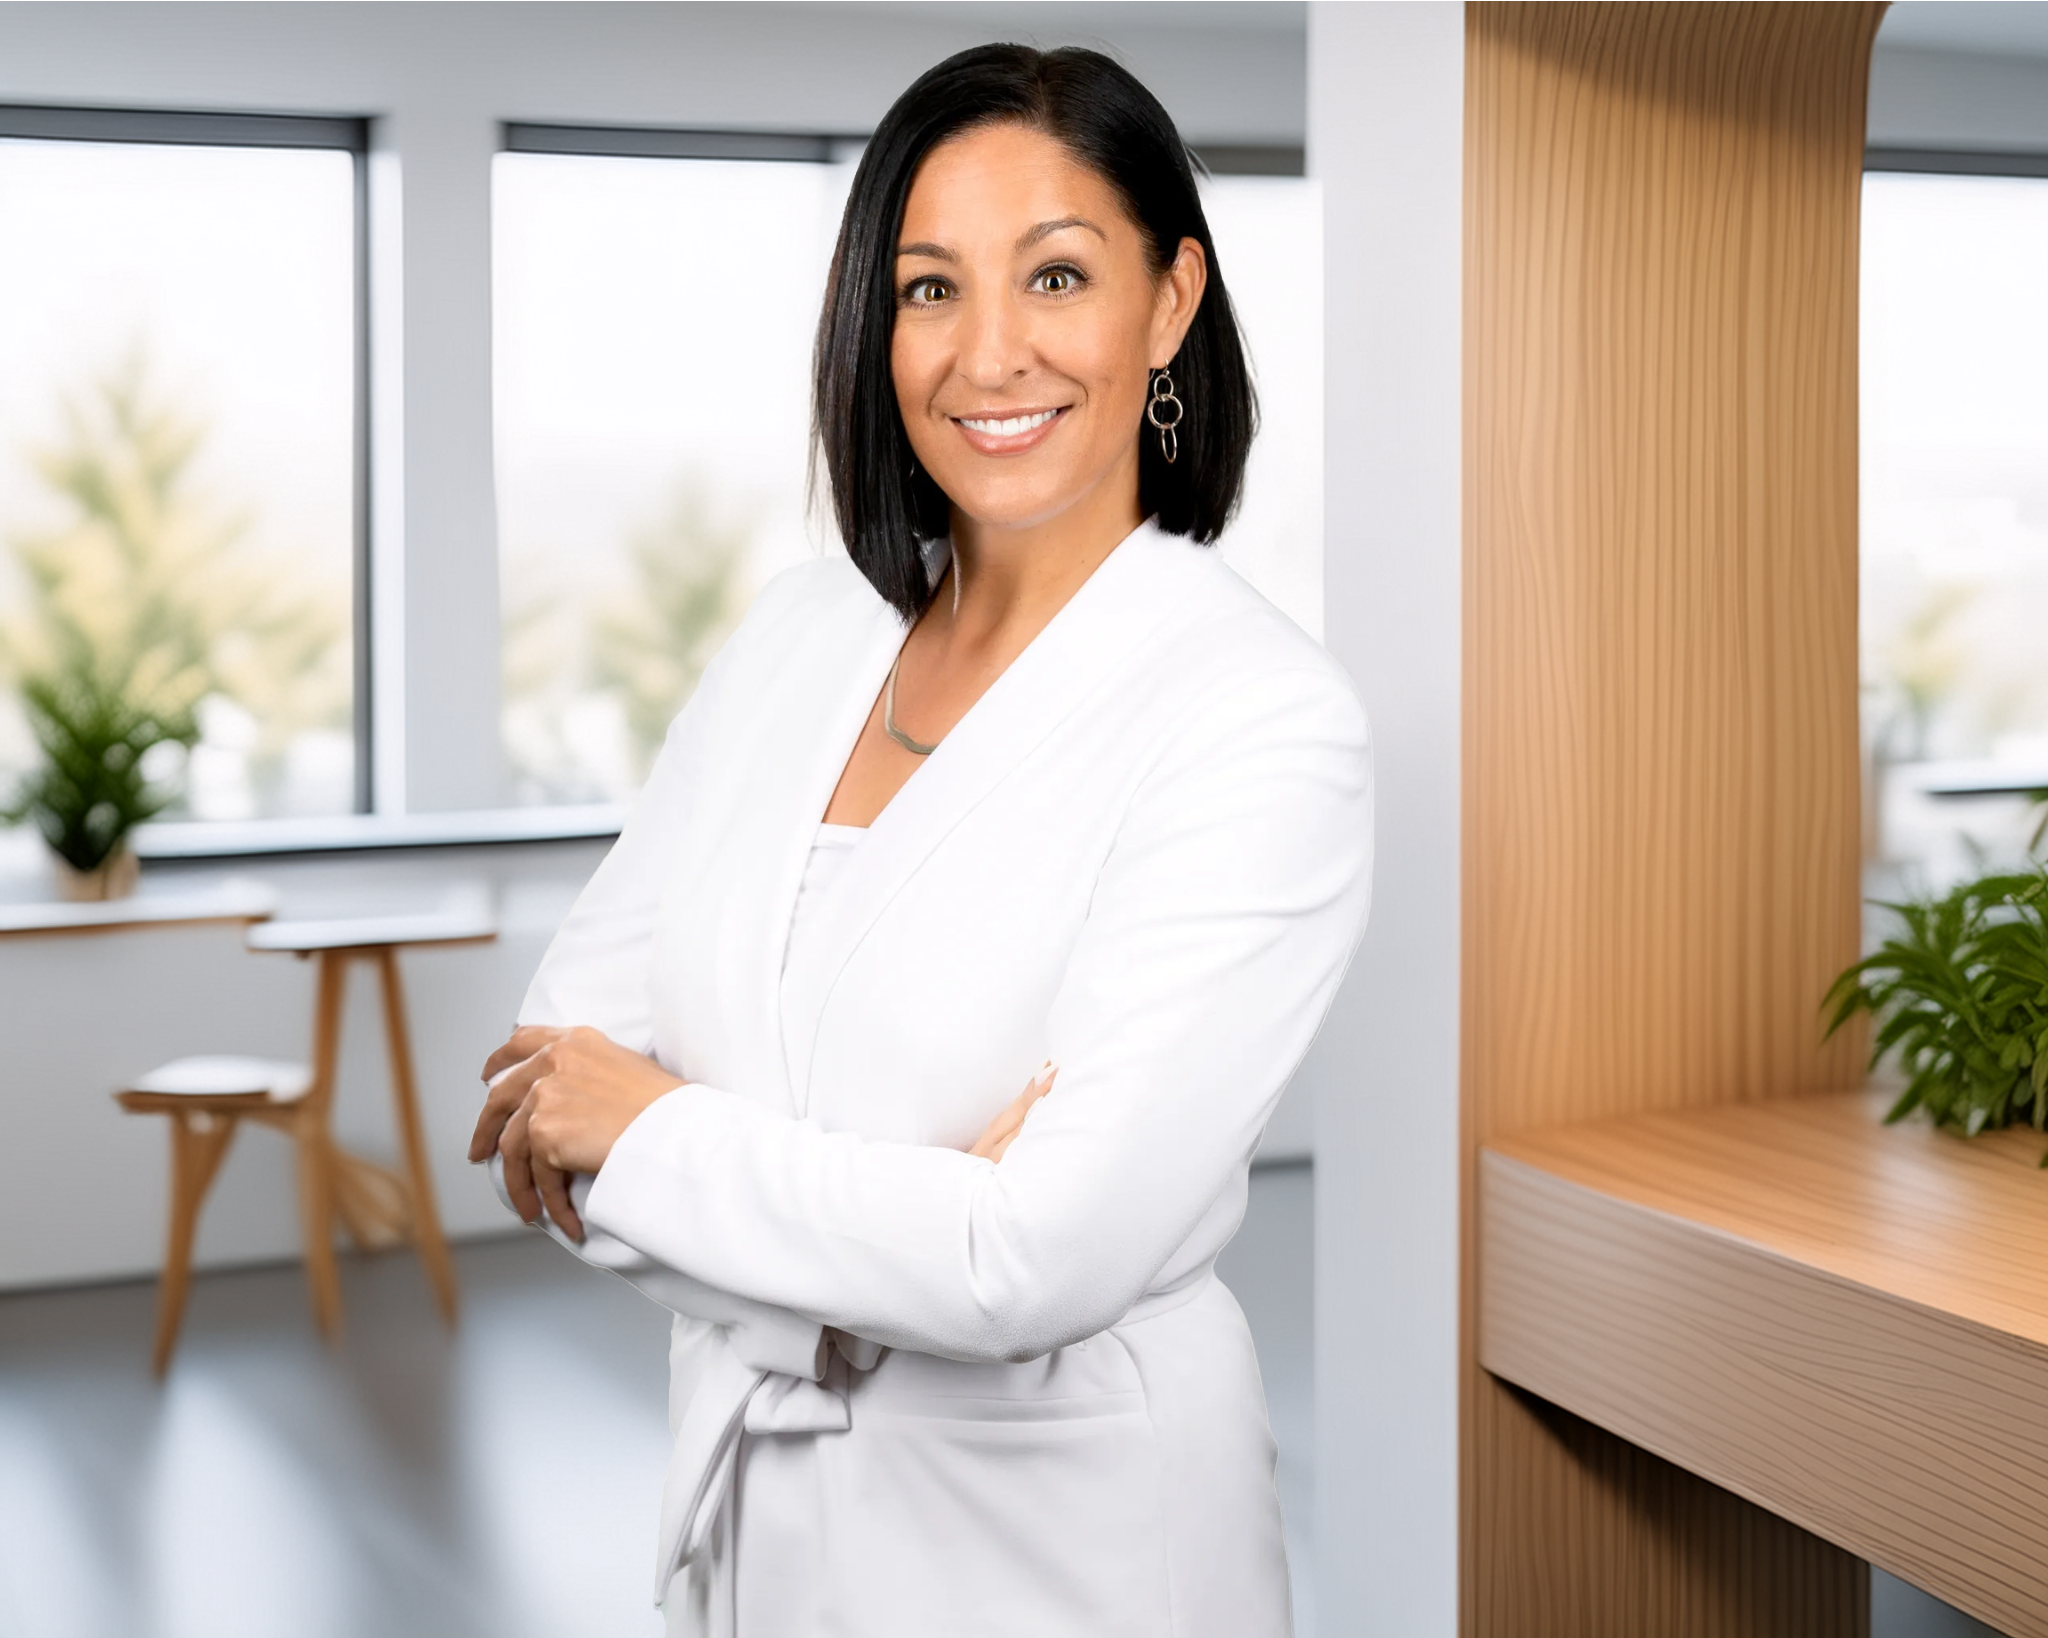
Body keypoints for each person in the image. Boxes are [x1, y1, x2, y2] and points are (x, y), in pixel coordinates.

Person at [468, 41, 1371, 1638]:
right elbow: (556, 1109)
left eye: (1060, 275)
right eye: (932, 289)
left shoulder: (1256, 716)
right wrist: (909, 1217)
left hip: (1062, 1552)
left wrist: (667, 1131)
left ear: (1168, 306)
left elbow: (1034, 1261)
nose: (991, 354)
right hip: (751, 1535)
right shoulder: (796, 637)